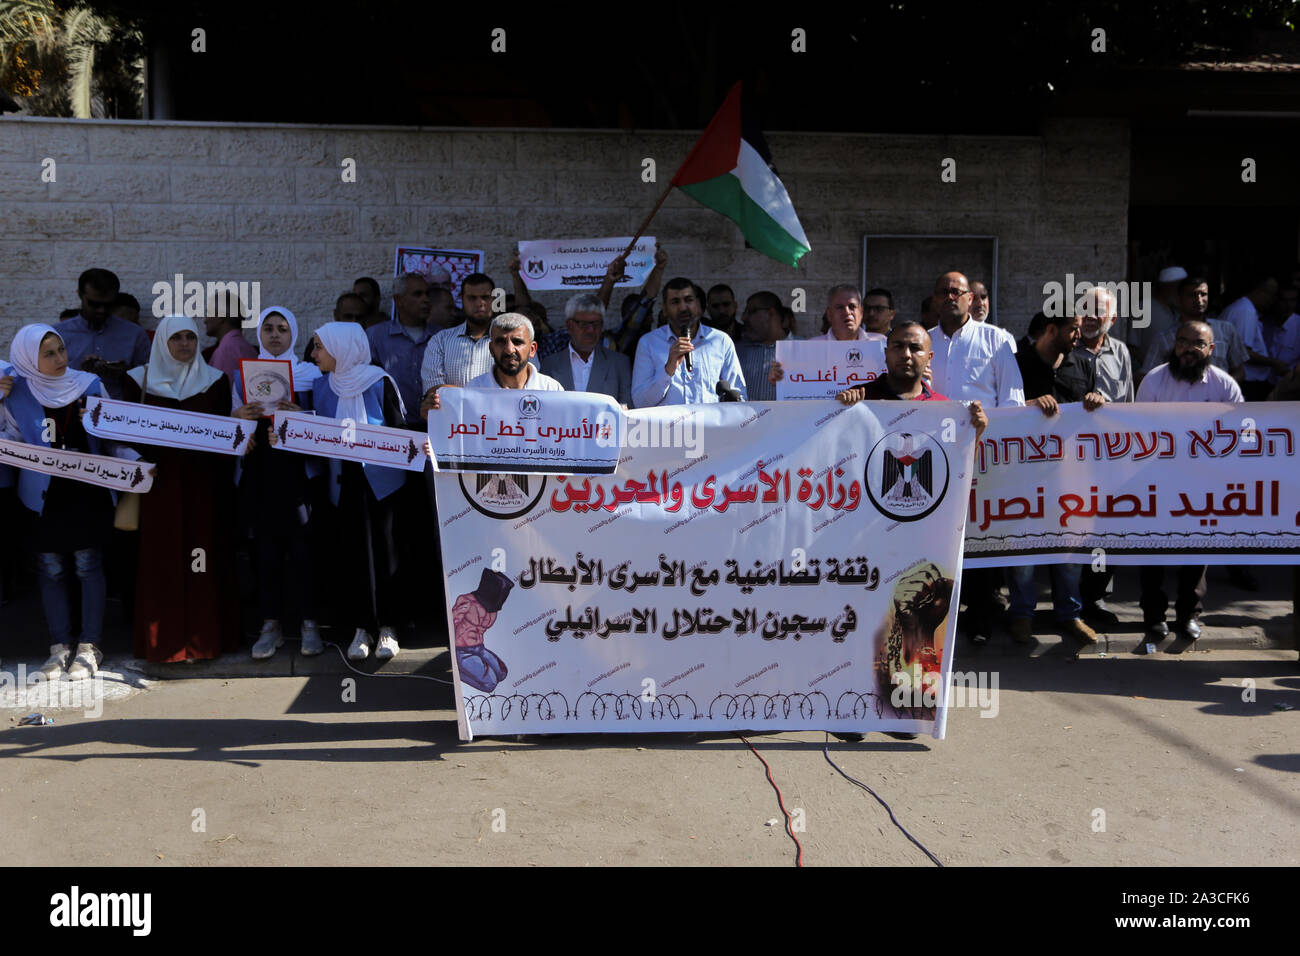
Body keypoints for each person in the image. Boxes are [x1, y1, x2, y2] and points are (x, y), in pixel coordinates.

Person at [0, 325, 136, 682]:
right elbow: (10, 443)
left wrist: (134, 461)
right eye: (49, 354)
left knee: (88, 565)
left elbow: (113, 435)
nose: (60, 359)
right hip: (42, 498)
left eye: (61, 350)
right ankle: (59, 648)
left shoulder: (88, 384)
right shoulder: (17, 392)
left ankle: (90, 647)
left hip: (85, 494)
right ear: (30, 358)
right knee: (50, 569)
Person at [124, 315, 241, 663]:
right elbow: (124, 433)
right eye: (177, 338)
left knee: (200, 560)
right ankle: (165, 645)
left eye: (191, 336)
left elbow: (227, 434)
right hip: (159, 489)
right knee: (164, 561)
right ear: (163, 341)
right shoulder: (138, 381)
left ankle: (202, 642)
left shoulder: (216, 382)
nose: (185, 344)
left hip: (204, 489)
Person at [295, 322, 409, 662]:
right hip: (342, 480)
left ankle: (389, 627)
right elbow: (316, 434)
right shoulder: (322, 386)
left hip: (382, 480)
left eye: (319, 347)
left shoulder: (378, 381)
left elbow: (399, 431)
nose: (314, 354)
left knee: (386, 550)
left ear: (342, 348)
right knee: (354, 552)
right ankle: (362, 627)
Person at [925, 271, 1025, 645]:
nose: (950, 296)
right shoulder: (923, 342)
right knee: (938, 538)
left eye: (957, 291)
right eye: (943, 291)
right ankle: (939, 617)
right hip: (933, 456)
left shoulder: (995, 339)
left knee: (979, 537)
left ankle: (981, 617)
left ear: (970, 298)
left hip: (985, 453)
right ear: (935, 300)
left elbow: (1013, 400)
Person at [1135, 321, 1244, 645]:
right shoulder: (1154, 381)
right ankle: (1153, 618)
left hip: (1204, 484)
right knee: (1152, 550)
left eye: (1197, 343)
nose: (1187, 348)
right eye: (1182, 341)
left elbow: (1240, 434)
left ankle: (1188, 616)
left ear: (1211, 349)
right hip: (1157, 480)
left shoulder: (1225, 387)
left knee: (1196, 551)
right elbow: (1138, 432)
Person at [1009, 310, 1108, 647]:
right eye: (1073, 330)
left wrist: (1096, 401)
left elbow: (1093, 412)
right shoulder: (1016, 363)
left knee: (1069, 549)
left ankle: (1070, 614)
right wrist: (1029, 404)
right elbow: (1001, 410)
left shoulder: (1083, 363)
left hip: (1070, 474)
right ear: (1051, 329)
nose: (1079, 336)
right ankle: (1022, 615)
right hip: (1023, 475)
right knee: (1024, 551)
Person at [230, 307, 323, 660]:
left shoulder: (310, 374)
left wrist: (303, 418)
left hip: (298, 472)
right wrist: (240, 420)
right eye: (267, 328)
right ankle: (270, 625)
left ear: (294, 334)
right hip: (260, 470)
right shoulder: (243, 375)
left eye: (282, 329)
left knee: (302, 548)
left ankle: (309, 623)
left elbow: (329, 428)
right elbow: (229, 426)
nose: (274, 335)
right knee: (265, 549)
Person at [1074, 287, 1134, 626]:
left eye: (1100, 311)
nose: (1093, 316)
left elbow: (1128, 403)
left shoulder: (1121, 351)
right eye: (1087, 309)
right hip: (1070, 457)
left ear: (1112, 319)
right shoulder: (1066, 349)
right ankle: (1067, 600)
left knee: (1104, 530)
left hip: (1109, 458)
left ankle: (1094, 597)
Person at [837, 321, 988, 437]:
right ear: (886, 353)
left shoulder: (944, 408)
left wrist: (976, 433)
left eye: (915, 348)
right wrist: (838, 409)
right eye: (898, 346)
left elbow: (955, 465)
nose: (906, 355)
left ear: (929, 358)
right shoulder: (859, 398)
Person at [631, 277, 746, 407]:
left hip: (710, 426)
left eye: (688, 300)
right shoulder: (649, 343)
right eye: (675, 302)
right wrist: (668, 369)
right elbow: (640, 403)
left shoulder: (721, 341)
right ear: (664, 309)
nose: (683, 307)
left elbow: (739, 396)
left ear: (697, 304)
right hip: (668, 427)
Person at [58, 268, 151, 399]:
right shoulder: (57, 334)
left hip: (119, 413)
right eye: (94, 304)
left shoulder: (135, 334)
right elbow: (44, 378)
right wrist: (78, 373)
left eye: (108, 305)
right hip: (69, 411)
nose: (101, 310)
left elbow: (151, 382)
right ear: (80, 294)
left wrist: (127, 373)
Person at [768, 285, 886, 387]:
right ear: (829, 315)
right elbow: (795, 386)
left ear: (861, 312)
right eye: (840, 307)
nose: (847, 312)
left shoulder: (882, 344)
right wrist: (780, 377)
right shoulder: (810, 348)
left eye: (852, 306)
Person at [1140, 276, 1247, 384]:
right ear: (1179, 299)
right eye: (1192, 295)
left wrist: (1223, 387)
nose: (1199, 300)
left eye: (1203, 294)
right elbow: (1148, 376)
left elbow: (1240, 371)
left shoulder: (1226, 330)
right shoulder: (1163, 338)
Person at [368, 273, 436, 429]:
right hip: (392, 428)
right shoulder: (375, 336)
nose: (426, 299)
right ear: (398, 300)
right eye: (418, 294)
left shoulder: (441, 336)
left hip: (435, 426)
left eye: (427, 294)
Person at [540, 294, 631, 404]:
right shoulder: (550, 365)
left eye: (596, 324)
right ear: (569, 325)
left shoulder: (619, 363)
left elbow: (626, 409)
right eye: (584, 324)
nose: (591, 330)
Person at [420, 273, 500, 396]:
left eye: (485, 297)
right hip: (452, 415)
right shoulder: (440, 340)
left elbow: (524, 386)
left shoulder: (513, 341)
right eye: (472, 298)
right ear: (461, 299)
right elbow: (434, 392)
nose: (480, 303)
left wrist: (458, 394)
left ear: (494, 299)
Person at [1219, 274, 1282, 400]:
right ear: (1259, 291)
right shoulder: (1245, 311)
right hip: (1246, 382)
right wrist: (1274, 363)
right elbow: (1243, 353)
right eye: (1271, 294)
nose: (1273, 300)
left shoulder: (1242, 308)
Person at [735, 292, 786, 402]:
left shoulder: (803, 350)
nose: (743, 318)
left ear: (771, 313)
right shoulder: (736, 351)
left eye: (751, 312)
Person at [1129, 265, 1185, 367]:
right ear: (1167, 287)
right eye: (1178, 288)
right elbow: (1133, 346)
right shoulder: (1143, 307)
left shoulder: (1177, 310)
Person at [202, 293, 256, 383]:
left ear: (220, 316)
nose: (205, 320)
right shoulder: (247, 348)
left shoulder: (227, 350)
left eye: (208, 313)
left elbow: (222, 395)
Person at [969, 279, 1016, 351]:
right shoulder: (952, 336)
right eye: (974, 298)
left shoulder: (1003, 337)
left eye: (983, 297)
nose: (980, 303)